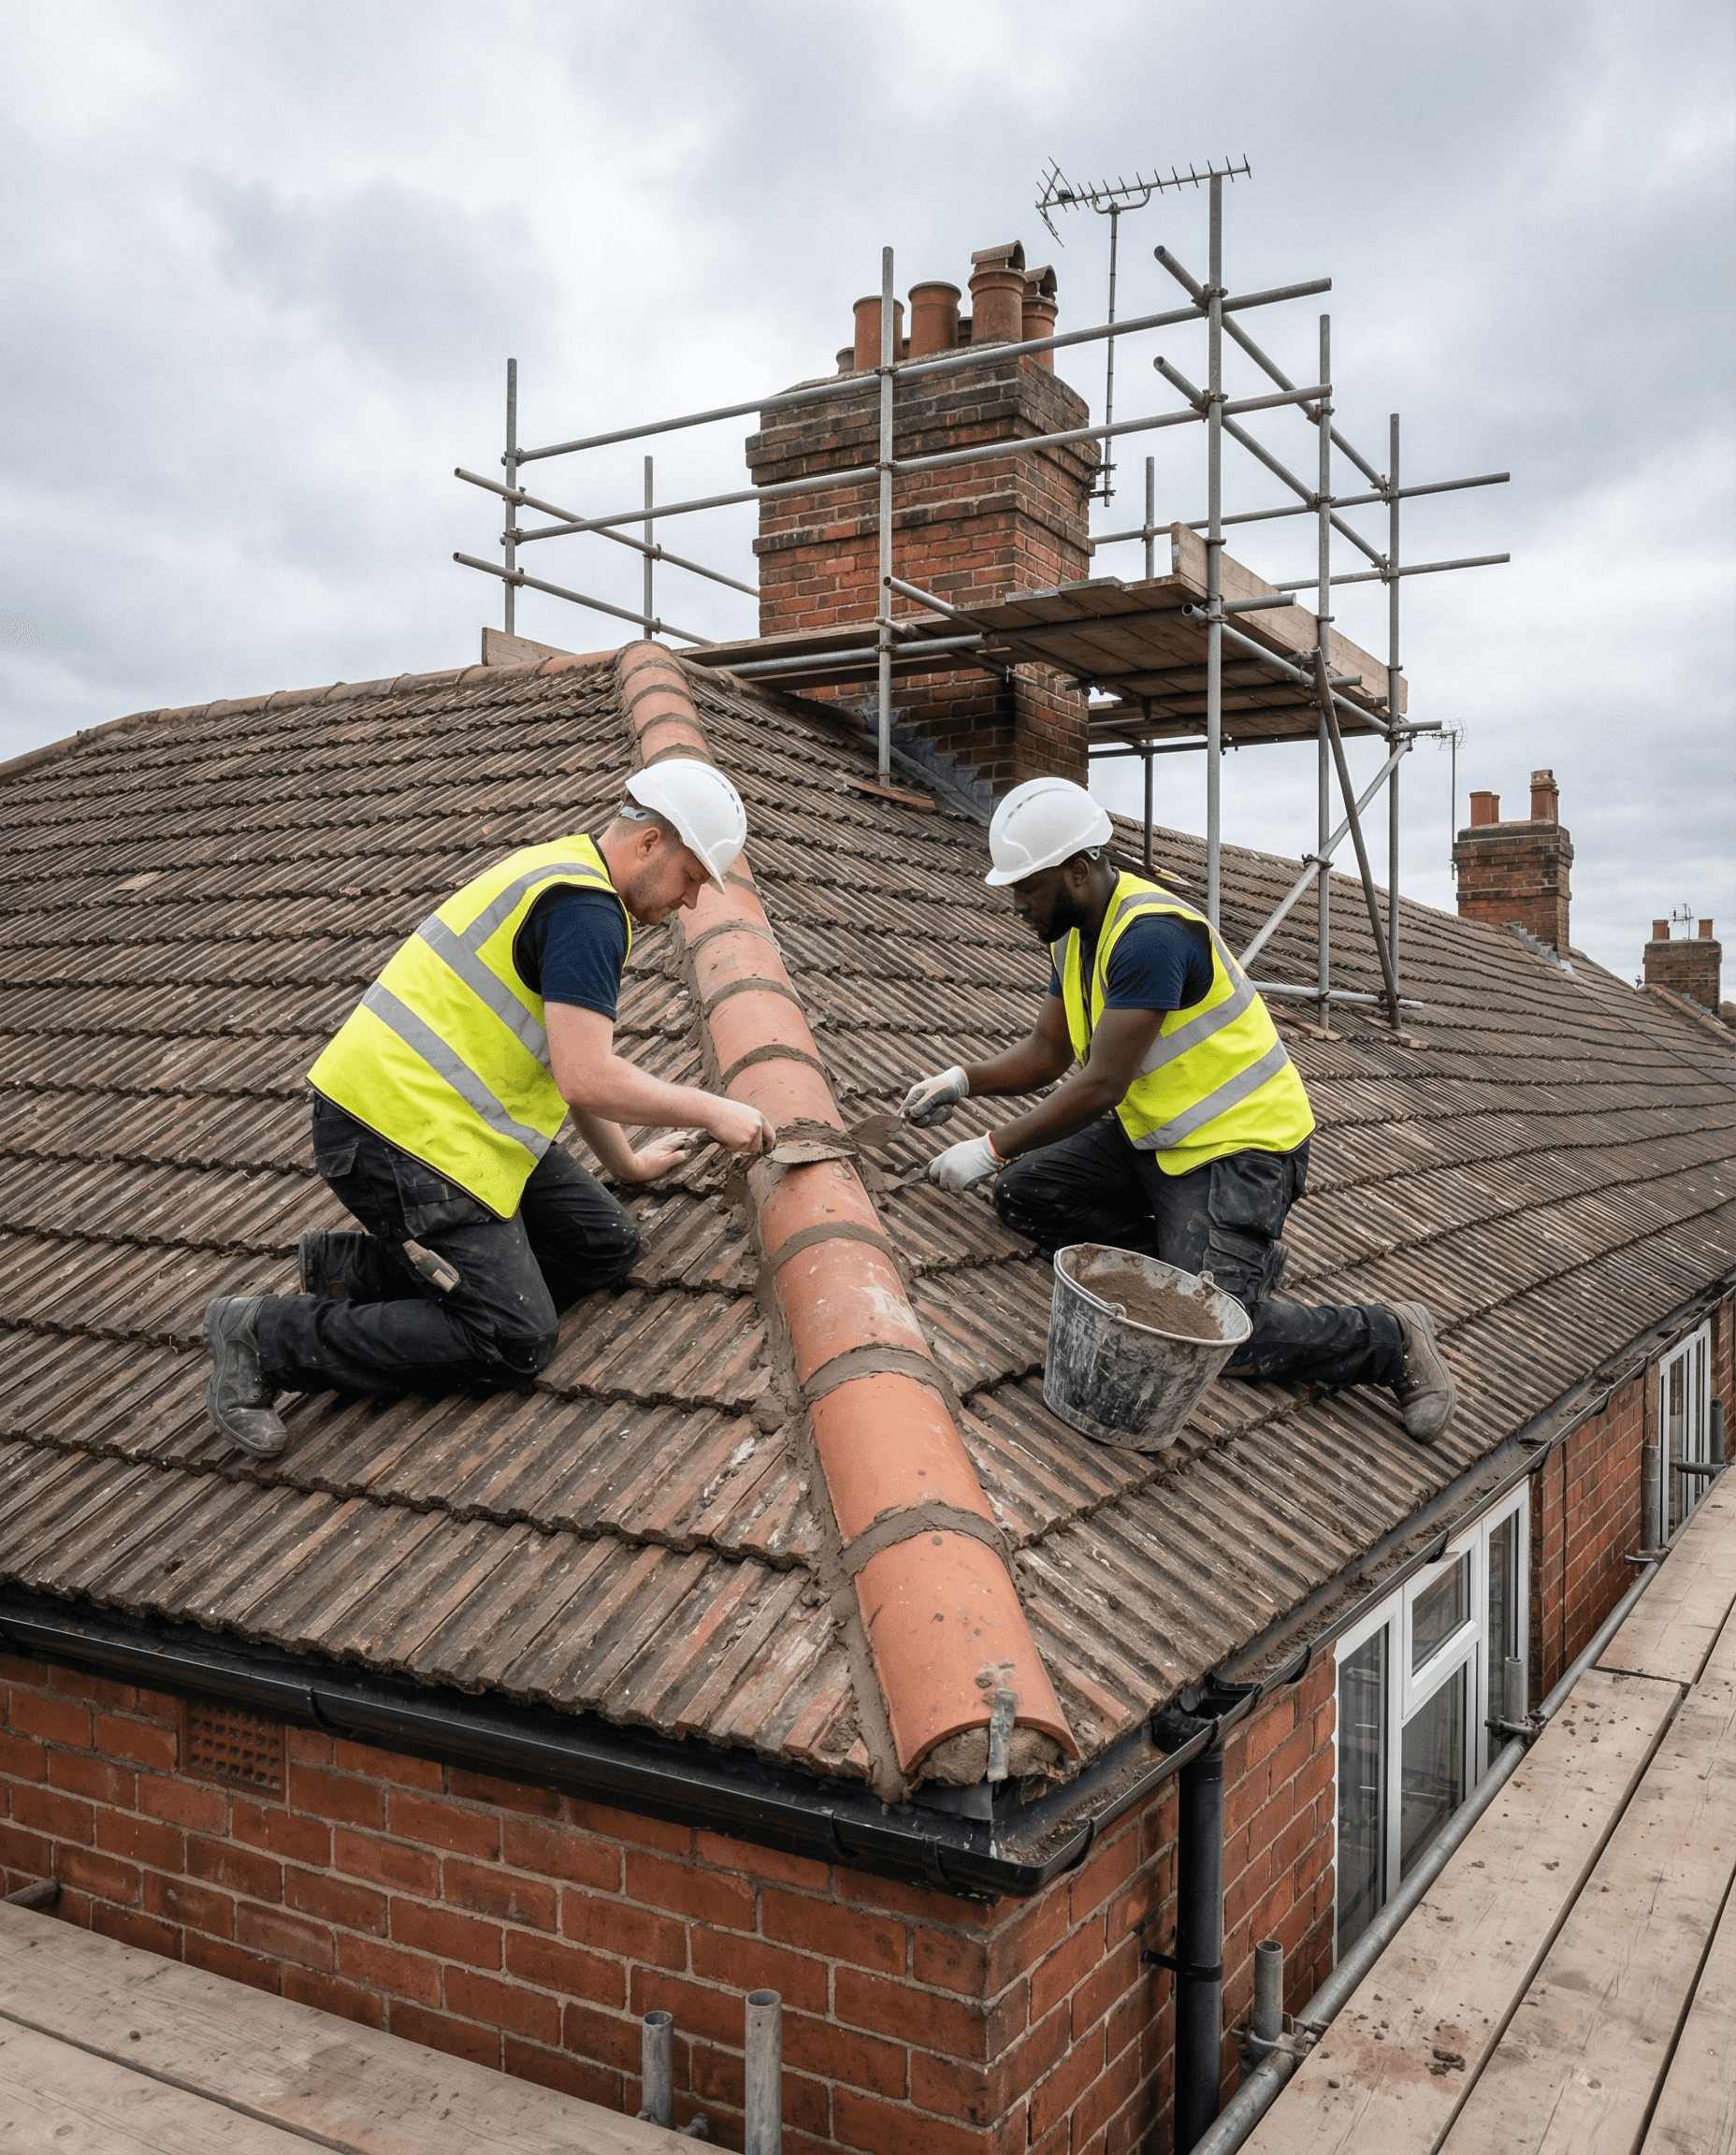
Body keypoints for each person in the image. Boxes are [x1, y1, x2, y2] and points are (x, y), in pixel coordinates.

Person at [201, 759, 775, 1457]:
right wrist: (712, 1111)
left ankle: (350, 1266)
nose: (688, 904)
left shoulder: (569, 874)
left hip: (458, 1124)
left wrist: (625, 1165)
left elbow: (566, 1066)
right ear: (650, 843)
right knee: (512, 1335)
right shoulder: (586, 913)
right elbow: (588, 1075)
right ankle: (263, 1338)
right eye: (690, 879)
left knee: (604, 1245)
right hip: (394, 1131)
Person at [904, 775, 1454, 1441]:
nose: (1017, 904)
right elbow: (1050, 1053)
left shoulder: (1151, 936)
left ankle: (1389, 1338)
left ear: (1078, 871)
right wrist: (963, 1080)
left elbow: (1101, 1085)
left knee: (1216, 1337)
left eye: (1026, 887)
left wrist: (988, 1148)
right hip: (1159, 1140)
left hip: (1240, 1149)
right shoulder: (1073, 933)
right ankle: (1212, 1265)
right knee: (1025, 1196)